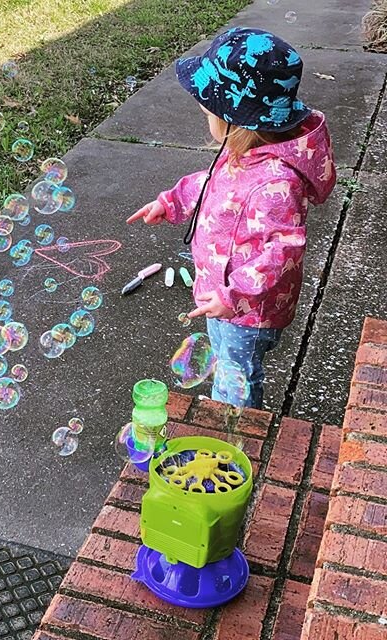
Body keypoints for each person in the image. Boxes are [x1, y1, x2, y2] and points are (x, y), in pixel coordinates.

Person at [127, 27, 336, 409]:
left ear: (234, 119)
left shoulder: (276, 184)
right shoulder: (246, 155)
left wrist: (233, 294)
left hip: (248, 308)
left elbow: (283, 252)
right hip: (222, 296)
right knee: (226, 364)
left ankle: (237, 432)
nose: (205, 118)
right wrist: (171, 201)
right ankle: (228, 411)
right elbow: (212, 184)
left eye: (208, 112)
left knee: (236, 376)